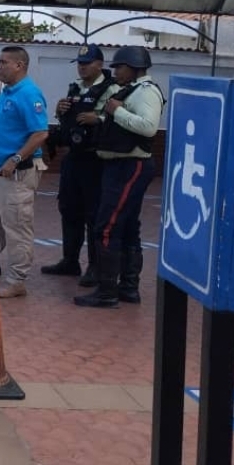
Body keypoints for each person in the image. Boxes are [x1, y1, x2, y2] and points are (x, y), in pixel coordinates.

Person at [75, 46, 165, 308]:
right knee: (126, 227)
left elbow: (148, 128)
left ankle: (107, 291)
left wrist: (116, 111)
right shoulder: (131, 90)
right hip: (119, 165)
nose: (115, 72)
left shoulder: (146, 92)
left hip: (130, 165)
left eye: (120, 67)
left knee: (107, 226)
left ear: (135, 68)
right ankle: (127, 288)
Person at [41, 44, 118, 286]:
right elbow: (67, 121)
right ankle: (70, 261)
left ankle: (95, 267)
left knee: (94, 214)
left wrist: (99, 118)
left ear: (100, 64)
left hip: (96, 159)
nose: (82, 67)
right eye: (80, 63)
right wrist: (60, 110)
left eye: (87, 63)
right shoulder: (75, 87)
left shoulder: (112, 88)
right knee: (69, 208)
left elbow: (120, 117)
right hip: (73, 156)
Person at [0, 46, 50, 298]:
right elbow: (3, 130)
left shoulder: (29, 93)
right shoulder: (7, 93)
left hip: (17, 173)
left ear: (19, 65)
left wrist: (16, 158)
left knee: (17, 226)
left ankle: (17, 280)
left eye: (3, 62)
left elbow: (40, 133)